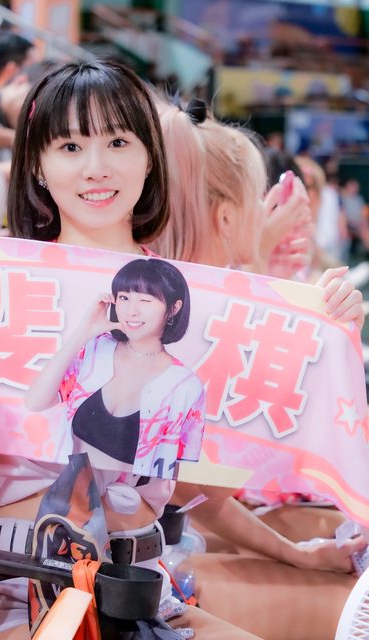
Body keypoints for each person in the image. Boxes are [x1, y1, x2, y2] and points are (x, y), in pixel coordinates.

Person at [0, 60, 262, 640]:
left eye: (118, 142)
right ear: (38, 165)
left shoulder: (183, 297)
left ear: (149, 159)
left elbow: (219, 478)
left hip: (144, 590)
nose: (96, 167)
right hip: (20, 589)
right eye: (69, 146)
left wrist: (328, 318)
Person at [150, 97, 365, 640]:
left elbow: (203, 492)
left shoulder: (177, 305)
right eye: (260, 202)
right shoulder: (182, 317)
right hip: (144, 569)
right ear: (227, 217)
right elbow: (205, 491)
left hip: (162, 553)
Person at [26, 258, 204, 479]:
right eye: (124, 298)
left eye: (145, 300)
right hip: (59, 487)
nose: (131, 311)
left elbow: (167, 480)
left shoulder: (185, 385)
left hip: (123, 498)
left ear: (173, 308)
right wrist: (83, 332)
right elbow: (35, 402)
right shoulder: (96, 348)